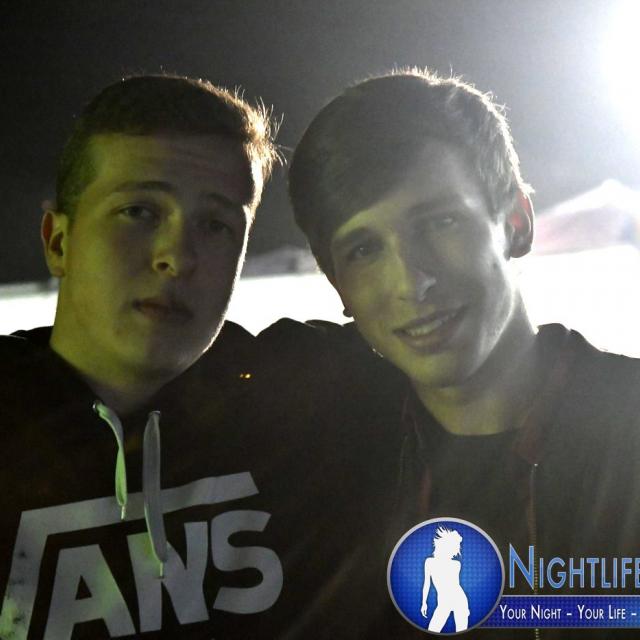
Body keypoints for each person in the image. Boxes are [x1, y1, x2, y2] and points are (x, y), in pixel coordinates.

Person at [0, 74, 366, 640]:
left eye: (216, 224)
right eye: (139, 212)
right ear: (57, 241)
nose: (178, 256)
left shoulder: (302, 401)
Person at [284, 69, 640, 637]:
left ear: (516, 222)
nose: (412, 282)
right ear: (337, 286)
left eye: (440, 222)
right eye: (364, 249)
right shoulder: (327, 458)